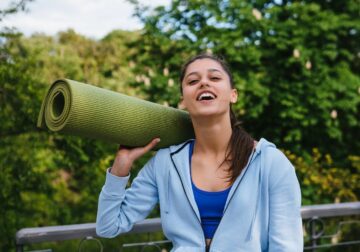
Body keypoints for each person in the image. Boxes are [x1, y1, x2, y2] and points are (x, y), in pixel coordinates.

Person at [96, 53, 303, 251]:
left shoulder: (270, 162)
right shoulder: (165, 163)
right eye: (193, 81)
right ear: (183, 101)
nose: (204, 83)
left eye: (214, 77)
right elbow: (108, 226)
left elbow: (287, 247)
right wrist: (120, 167)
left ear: (233, 95)